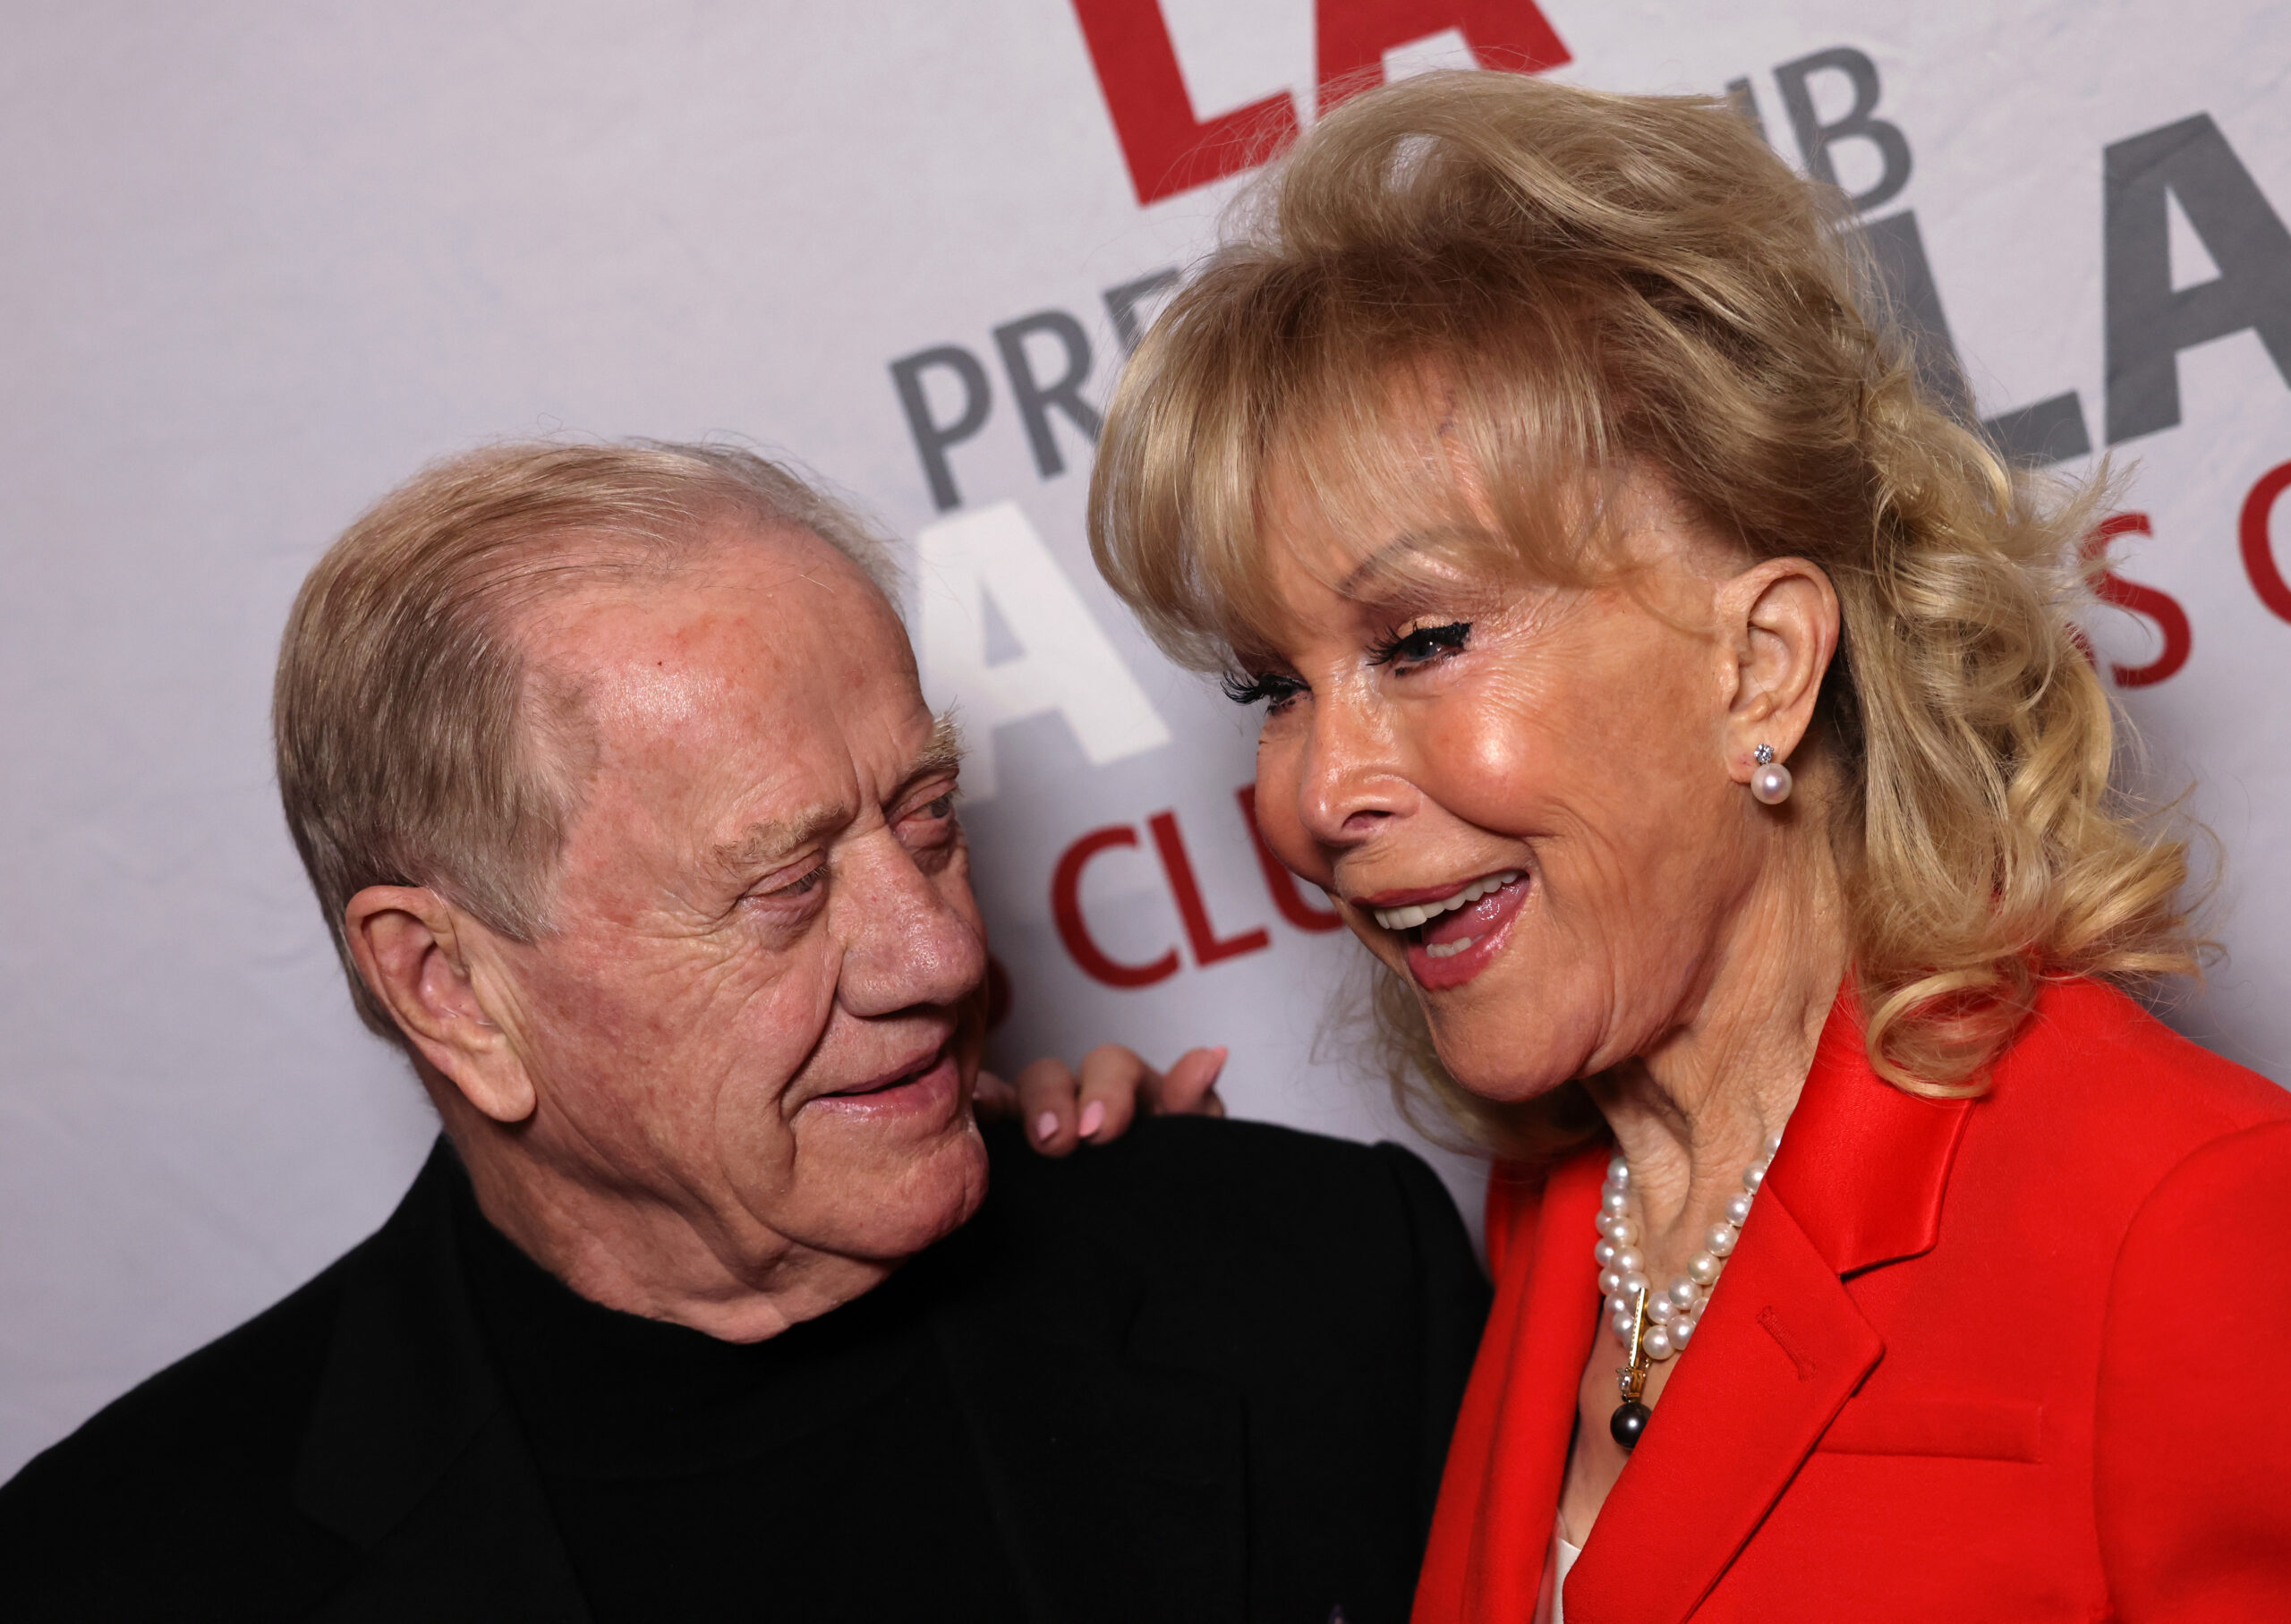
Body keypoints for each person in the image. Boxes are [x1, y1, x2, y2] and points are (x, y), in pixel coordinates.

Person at [1084, 69, 2291, 1622]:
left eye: (1423, 639)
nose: (1319, 792)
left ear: (1763, 663)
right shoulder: (1553, 1217)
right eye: (1272, 687)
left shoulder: (2185, 1223)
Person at [0, 441, 1488, 1622]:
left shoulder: (1319, 1274)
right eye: (781, 890)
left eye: (926, 820)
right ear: (448, 989)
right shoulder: (119, 1575)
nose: (938, 951)